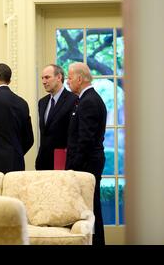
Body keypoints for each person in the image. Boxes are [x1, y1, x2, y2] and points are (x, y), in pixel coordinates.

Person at [66, 62, 107, 246]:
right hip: (88, 162)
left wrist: (73, 166)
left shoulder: (89, 101)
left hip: (86, 165)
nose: (68, 80)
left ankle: (94, 242)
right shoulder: (86, 99)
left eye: (70, 77)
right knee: (90, 208)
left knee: (90, 209)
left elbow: (85, 140)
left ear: (80, 79)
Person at [35, 64, 78, 170]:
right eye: (42, 78)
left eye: (47, 77)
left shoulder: (73, 100)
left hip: (63, 162)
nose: (44, 82)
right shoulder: (42, 102)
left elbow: (74, 134)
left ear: (59, 77)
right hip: (43, 163)